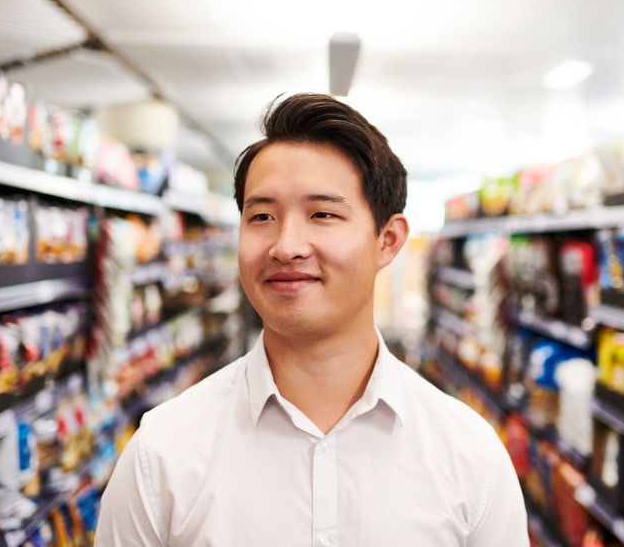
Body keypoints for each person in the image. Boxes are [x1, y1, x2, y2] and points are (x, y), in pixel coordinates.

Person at [95, 93, 528, 546]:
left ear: (388, 240)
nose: (286, 246)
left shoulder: (470, 458)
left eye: (322, 214)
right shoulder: (161, 454)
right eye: (261, 216)